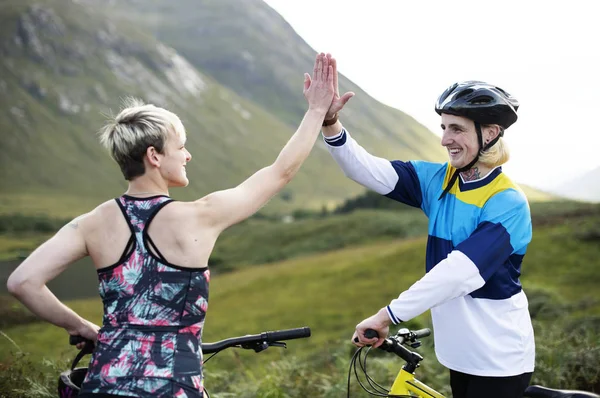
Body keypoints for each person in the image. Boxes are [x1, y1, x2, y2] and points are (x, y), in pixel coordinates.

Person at [6, 53, 335, 398]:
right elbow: (279, 172)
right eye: (181, 147)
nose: (187, 155)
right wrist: (316, 112)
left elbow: (22, 281)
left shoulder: (91, 223)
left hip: (102, 387)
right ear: (154, 156)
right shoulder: (199, 216)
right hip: (172, 389)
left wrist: (82, 327)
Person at [322, 61, 534, 398]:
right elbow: (365, 170)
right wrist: (330, 121)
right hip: (459, 355)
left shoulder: (507, 201)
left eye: (456, 129)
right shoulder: (439, 180)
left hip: (498, 357)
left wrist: (388, 314)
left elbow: (459, 272)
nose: (444, 139)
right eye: (444, 127)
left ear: (490, 133)